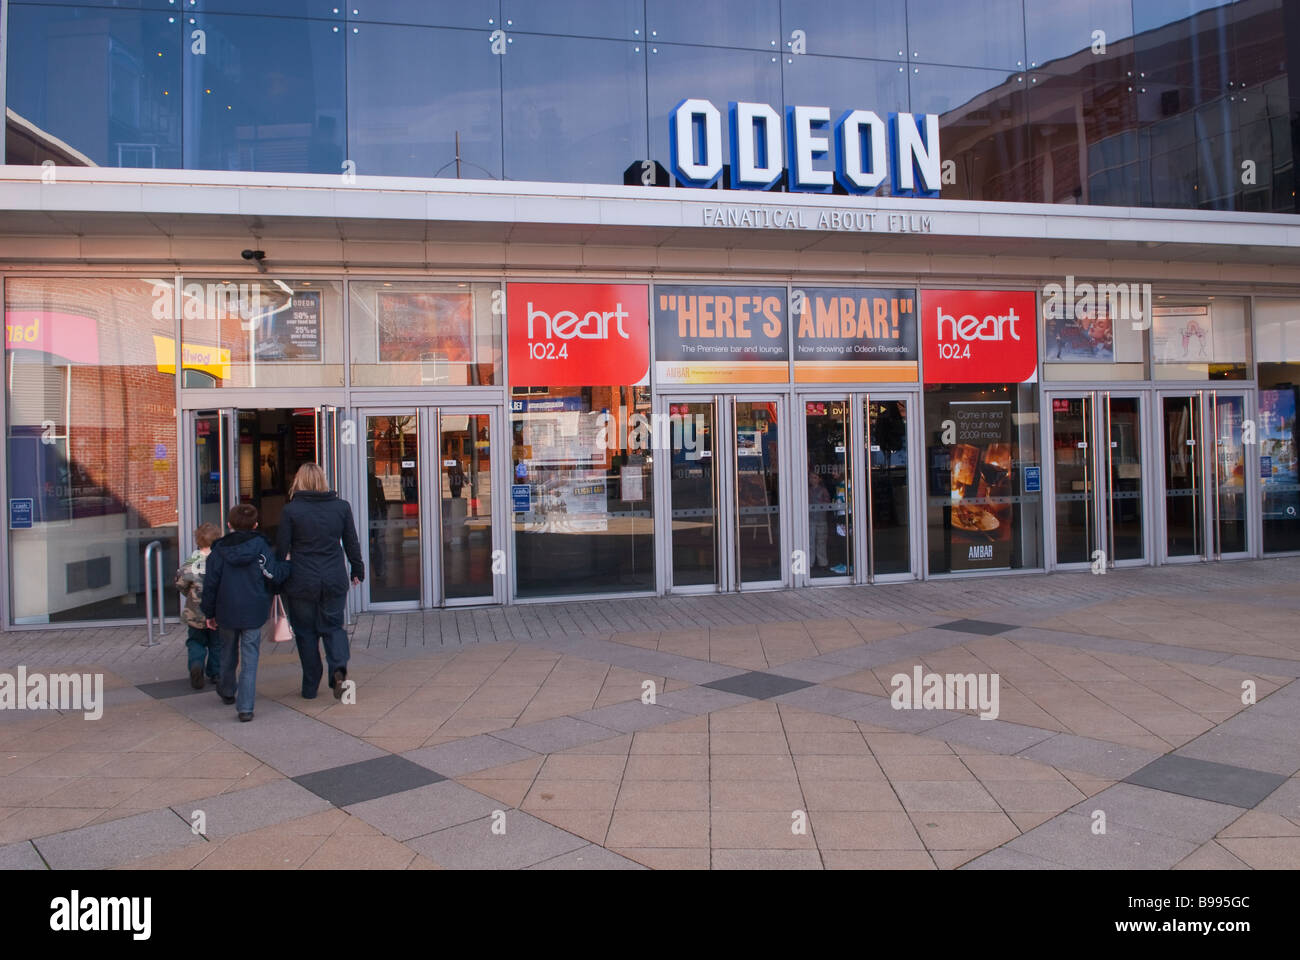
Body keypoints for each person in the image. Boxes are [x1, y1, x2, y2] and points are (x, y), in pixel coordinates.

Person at [277, 463, 364, 700]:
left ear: (299, 481)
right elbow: (351, 542)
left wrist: (276, 578)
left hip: (302, 580)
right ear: (323, 481)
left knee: (306, 633)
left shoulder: (291, 510)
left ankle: (309, 686)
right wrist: (357, 568)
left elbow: (282, 548)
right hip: (334, 577)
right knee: (333, 627)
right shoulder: (341, 507)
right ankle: (338, 668)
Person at [201, 504, 285, 722]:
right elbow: (272, 574)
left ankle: (227, 690)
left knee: (227, 652)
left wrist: (208, 612)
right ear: (256, 525)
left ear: (229, 525)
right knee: (250, 658)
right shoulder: (261, 547)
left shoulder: (217, 551)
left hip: (226, 610)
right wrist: (289, 567)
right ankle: (245, 707)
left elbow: (210, 585)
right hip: (253, 610)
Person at [175, 522, 222, 689]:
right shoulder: (220, 560)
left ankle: (196, 665)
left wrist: (189, 595)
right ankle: (216, 673)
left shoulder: (192, 561)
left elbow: (181, 583)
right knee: (217, 643)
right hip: (217, 611)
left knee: (196, 641)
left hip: (195, 612)